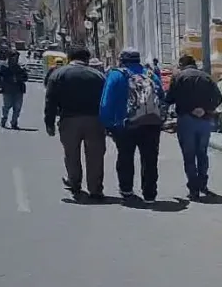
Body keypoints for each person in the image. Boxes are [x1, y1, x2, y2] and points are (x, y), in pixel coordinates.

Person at [100, 48, 166, 202]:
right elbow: (162, 96)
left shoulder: (116, 75)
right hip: (151, 123)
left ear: (122, 60)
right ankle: (150, 194)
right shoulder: (151, 74)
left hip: (125, 125)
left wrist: (107, 124)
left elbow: (106, 102)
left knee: (125, 157)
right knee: (150, 159)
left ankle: (126, 189)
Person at [44, 47, 107, 199]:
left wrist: (49, 123)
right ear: (87, 59)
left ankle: (74, 183)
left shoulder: (58, 74)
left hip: (69, 120)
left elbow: (50, 101)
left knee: (71, 154)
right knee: (95, 156)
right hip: (94, 120)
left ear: (69, 58)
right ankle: (95, 189)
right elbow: (106, 100)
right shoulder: (98, 76)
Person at [166, 54, 222, 200]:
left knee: (189, 155)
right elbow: (218, 98)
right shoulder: (207, 77)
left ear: (181, 64)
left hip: (186, 119)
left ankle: (194, 189)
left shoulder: (178, 77)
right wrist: (205, 109)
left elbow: (170, 98)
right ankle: (203, 184)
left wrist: (189, 108)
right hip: (204, 120)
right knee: (202, 153)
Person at [0, 51, 28, 129]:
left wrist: (20, 78)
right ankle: (3, 120)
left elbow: (25, 78)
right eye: (13, 57)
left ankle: (14, 122)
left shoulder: (20, 68)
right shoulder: (4, 67)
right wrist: (1, 84)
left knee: (17, 107)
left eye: (17, 57)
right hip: (8, 90)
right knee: (6, 106)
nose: (15, 59)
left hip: (18, 90)